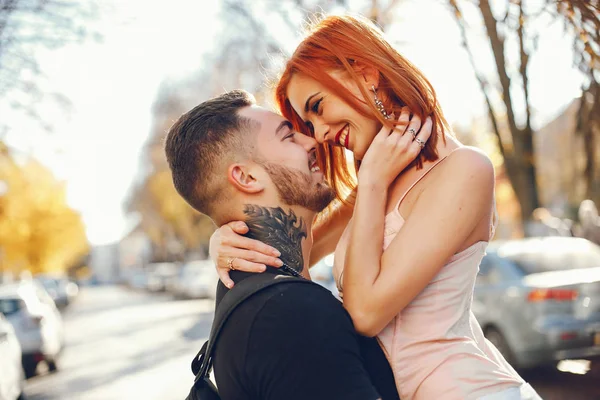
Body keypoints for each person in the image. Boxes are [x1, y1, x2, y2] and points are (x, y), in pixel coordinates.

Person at [210, 14, 543, 400]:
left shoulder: (465, 170)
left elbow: (366, 315)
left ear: (366, 73)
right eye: (306, 123)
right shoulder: (373, 188)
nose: (318, 134)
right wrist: (226, 242)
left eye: (317, 106)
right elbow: (292, 252)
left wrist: (370, 183)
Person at [164, 89, 418, 400]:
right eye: (288, 136)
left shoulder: (244, 293)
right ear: (246, 177)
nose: (312, 142)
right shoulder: (292, 314)